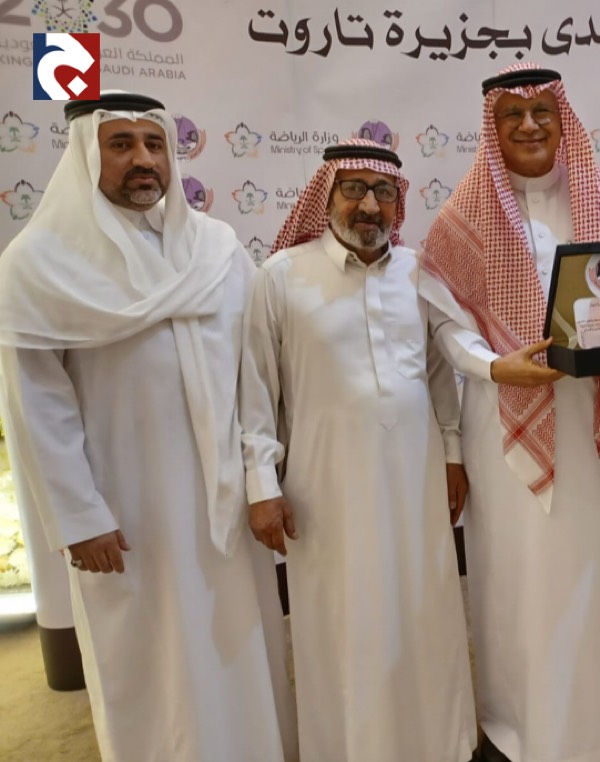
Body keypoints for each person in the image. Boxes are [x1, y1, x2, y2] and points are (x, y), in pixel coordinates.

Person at [0, 91, 297, 761]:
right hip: (126, 513)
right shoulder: (38, 264)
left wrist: (261, 481)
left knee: (239, 650)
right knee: (147, 661)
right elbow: (35, 406)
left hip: (227, 507)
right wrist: (78, 517)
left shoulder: (216, 248)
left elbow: (255, 375)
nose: (143, 160)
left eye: (154, 144)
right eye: (121, 144)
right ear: (86, 156)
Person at [418, 63, 600, 762]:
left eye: (542, 111)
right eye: (512, 115)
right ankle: (521, 727)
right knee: (519, 577)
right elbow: (445, 325)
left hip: (589, 419)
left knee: (596, 572)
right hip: (504, 422)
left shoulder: (599, 199)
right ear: (493, 126)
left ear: (560, 118)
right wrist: (495, 367)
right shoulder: (464, 214)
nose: (529, 125)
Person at [240, 140, 477, 762]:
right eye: (354, 189)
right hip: (325, 489)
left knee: (425, 609)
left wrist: (453, 454)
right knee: (342, 622)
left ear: (399, 201)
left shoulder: (420, 272)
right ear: (327, 195)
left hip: (415, 480)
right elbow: (257, 389)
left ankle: (439, 746)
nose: (369, 205)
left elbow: (437, 373)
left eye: (384, 192)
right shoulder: (281, 275)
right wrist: (262, 485)